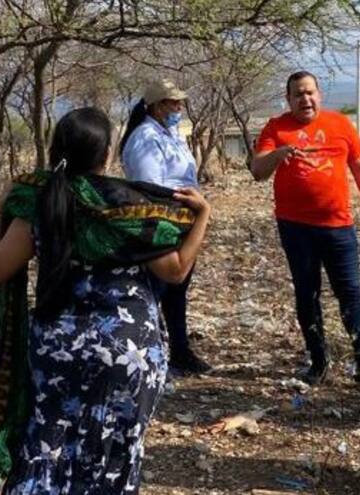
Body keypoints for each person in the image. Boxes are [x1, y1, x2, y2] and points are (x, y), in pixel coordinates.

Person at [0, 107, 211, 494]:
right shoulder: (129, 208)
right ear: (106, 156)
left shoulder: (40, 202)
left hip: (56, 351)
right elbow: (176, 270)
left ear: (56, 148)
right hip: (128, 352)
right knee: (113, 455)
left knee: (47, 448)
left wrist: (2, 206)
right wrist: (202, 216)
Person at [250, 71, 360, 392]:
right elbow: (258, 171)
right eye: (298, 94)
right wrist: (278, 154)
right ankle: (318, 362)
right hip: (296, 229)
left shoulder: (339, 124)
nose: (305, 99)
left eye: (310, 92)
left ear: (319, 95)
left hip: (338, 227)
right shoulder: (276, 128)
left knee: (350, 294)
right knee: (307, 293)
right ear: (288, 99)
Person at [120, 78, 211, 374]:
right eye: (173, 103)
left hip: (184, 223)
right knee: (155, 291)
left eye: (180, 103)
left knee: (176, 292)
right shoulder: (145, 138)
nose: (179, 108)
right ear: (157, 106)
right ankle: (146, 356)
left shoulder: (171, 134)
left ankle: (180, 352)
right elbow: (150, 187)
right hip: (161, 225)